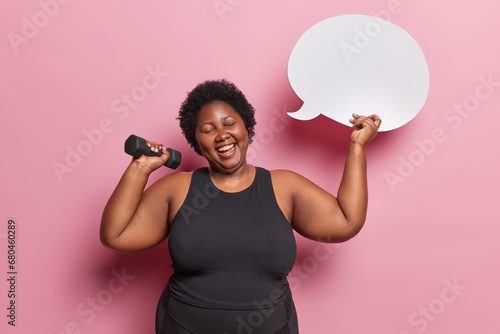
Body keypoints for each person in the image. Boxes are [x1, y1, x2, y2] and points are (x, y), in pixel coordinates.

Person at [100, 79, 381, 333]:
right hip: (183, 326)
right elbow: (116, 235)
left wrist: (357, 147)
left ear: (246, 127)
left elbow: (346, 221)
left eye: (229, 123)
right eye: (208, 130)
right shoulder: (177, 188)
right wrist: (140, 168)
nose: (221, 135)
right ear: (196, 141)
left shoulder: (284, 187)